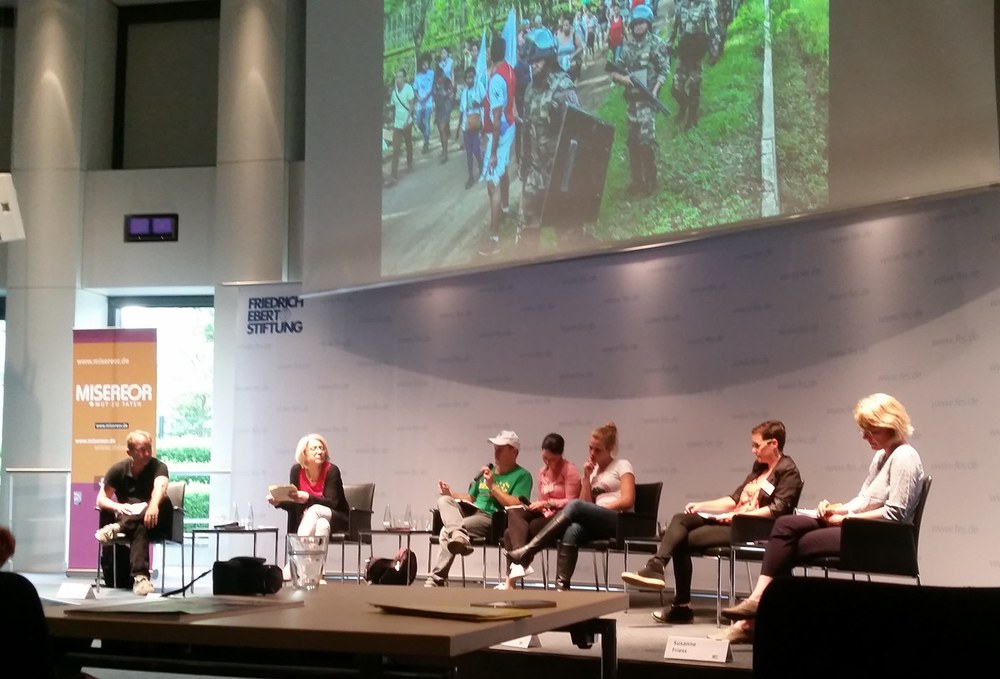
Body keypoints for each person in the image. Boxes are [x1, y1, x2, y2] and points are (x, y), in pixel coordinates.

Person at [719, 393, 925, 644]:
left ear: (890, 426)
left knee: (796, 544)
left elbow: (896, 513)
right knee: (787, 524)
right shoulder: (881, 456)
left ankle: (755, 617)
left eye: (870, 431)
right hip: (859, 527)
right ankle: (758, 603)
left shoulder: (905, 457)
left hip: (879, 539)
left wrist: (846, 521)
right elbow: (863, 498)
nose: (864, 436)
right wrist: (838, 510)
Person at [620, 420, 803, 624]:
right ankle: (657, 566)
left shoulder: (789, 471)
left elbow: (777, 510)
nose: (753, 450)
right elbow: (734, 499)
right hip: (733, 520)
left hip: (753, 529)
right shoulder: (759, 468)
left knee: (678, 539)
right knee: (680, 519)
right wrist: (702, 505)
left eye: (757, 445)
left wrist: (737, 516)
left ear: (774, 444)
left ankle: (680, 604)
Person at [507, 421, 634, 590]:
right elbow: (586, 503)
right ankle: (561, 587)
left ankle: (529, 550)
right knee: (571, 530)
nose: (592, 453)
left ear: (609, 448)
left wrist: (599, 509)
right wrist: (587, 478)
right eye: (590, 448)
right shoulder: (593, 471)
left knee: (575, 505)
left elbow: (628, 500)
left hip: (618, 520)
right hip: (596, 521)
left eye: (598, 450)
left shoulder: (622, 465)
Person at [426, 430, 533, 587]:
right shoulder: (487, 473)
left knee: (446, 531)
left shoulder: (522, 475)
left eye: (501, 448)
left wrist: (493, 487)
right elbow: (471, 498)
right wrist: (451, 493)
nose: (496, 451)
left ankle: (437, 579)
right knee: (444, 500)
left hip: (491, 517)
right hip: (472, 510)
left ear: (514, 451)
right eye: (495, 447)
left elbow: (516, 505)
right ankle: (459, 535)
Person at [518, 27, 580, 252]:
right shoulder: (529, 90)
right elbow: (526, 130)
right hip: (536, 176)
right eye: (531, 62)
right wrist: (524, 166)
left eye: (538, 61)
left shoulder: (563, 88)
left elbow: (578, 135)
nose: (533, 66)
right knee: (527, 236)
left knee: (568, 238)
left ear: (549, 59)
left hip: (559, 175)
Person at [497, 433, 581, 590]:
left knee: (515, 532)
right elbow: (543, 502)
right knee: (514, 511)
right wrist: (537, 505)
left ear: (560, 455)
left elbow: (572, 502)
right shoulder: (543, 472)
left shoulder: (570, 470)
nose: (548, 462)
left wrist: (546, 503)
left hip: (562, 519)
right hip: (546, 515)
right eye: (545, 458)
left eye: (552, 459)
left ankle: (514, 574)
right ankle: (518, 568)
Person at [95, 430, 169, 596]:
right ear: (129, 452)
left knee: (161, 501)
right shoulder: (118, 470)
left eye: (149, 448)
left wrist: (153, 506)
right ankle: (141, 578)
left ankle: (117, 528)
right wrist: (116, 507)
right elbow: (101, 499)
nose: (147, 453)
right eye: (142, 450)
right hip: (134, 519)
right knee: (140, 525)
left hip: (156, 517)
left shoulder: (159, 467)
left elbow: (161, 488)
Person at [609, 3, 670, 196]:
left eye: (642, 23)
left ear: (648, 24)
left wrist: (655, 89)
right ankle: (636, 181)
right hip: (632, 102)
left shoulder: (655, 44)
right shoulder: (627, 49)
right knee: (633, 142)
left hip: (648, 100)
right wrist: (623, 79)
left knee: (646, 142)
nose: (638, 27)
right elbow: (613, 72)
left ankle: (651, 181)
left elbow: (664, 70)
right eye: (635, 24)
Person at [269, 433, 350, 545]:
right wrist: (279, 502)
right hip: (309, 519)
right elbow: (294, 503)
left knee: (315, 509)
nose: (320, 451)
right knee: (322, 525)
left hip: (336, 517)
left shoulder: (332, 470)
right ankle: (315, 562)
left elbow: (333, 503)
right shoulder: (296, 470)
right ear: (304, 453)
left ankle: (299, 549)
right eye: (314, 448)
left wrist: (308, 498)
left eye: (322, 448)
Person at [477, 36, 517, 257]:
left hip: (499, 133)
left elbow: (497, 114)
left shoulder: (496, 81)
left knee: (493, 185)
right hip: (509, 128)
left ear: (493, 52)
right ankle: (505, 208)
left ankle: (493, 236)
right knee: (502, 172)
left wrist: (492, 152)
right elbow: (512, 99)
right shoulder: (509, 70)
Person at [667, 0, 721, 130]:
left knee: (694, 86)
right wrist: (668, 45)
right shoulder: (681, 5)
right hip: (684, 50)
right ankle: (683, 107)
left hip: (697, 51)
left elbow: (713, 28)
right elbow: (674, 27)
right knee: (676, 87)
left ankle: (692, 119)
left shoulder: (706, 4)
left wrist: (714, 50)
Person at [385, 67, 415, 187]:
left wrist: (407, 120)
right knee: (396, 149)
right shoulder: (394, 93)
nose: (398, 79)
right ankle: (394, 176)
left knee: (408, 144)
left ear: (404, 78)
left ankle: (409, 163)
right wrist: (392, 121)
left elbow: (412, 105)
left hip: (407, 122)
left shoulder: (408, 89)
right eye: (397, 77)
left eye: (400, 77)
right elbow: (393, 107)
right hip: (397, 124)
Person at [457, 66, 484, 189]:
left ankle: (481, 163)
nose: (469, 79)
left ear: (474, 77)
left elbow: (486, 101)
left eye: (471, 77)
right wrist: (459, 130)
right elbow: (462, 111)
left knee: (476, 149)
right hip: (466, 125)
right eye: (467, 78)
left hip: (477, 124)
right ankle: (470, 176)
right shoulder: (465, 92)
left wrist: (478, 103)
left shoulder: (479, 88)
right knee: (468, 152)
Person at [432, 65, 455, 163]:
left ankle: (445, 154)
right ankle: (443, 149)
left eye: (440, 77)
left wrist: (448, 95)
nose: (439, 79)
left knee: (442, 130)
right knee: (441, 132)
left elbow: (453, 89)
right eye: (437, 77)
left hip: (445, 108)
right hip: (438, 109)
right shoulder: (434, 84)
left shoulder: (446, 81)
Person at [413, 54, 435, 153]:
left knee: (426, 122)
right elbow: (415, 90)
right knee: (418, 122)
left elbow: (433, 87)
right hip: (420, 103)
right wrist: (419, 98)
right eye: (424, 64)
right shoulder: (417, 76)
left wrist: (427, 97)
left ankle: (425, 144)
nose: (425, 66)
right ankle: (426, 134)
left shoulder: (431, 73)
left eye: (427, 64)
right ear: (421, 65)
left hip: (428, 103)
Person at [556, 14, 584, 81]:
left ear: (570, 26)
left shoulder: (574, 35)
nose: (565, 27)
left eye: (567, 25)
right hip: (561, 66)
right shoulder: (558, 37)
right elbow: (555, 50)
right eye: (564, 25)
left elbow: (580, 47)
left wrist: (572, 55)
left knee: (571, 82)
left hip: (572, 65)